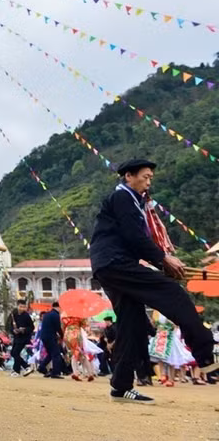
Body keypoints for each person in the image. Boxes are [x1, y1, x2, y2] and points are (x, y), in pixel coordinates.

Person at [90, 159, 217, 404]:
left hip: (112, 264)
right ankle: (205, 355)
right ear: (129, 176)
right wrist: (162, 260)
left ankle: (121, 386)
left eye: (150, 178)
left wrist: (162, 260)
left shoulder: (134, 202)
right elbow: (133, 236)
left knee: (132, 323)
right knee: (173, 292)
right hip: (115, 263)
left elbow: (135, 239)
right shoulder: (122, 198)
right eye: (145, 177)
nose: (149, 182)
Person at [8, 299, 35, 377]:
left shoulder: (26, 316)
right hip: (17, 337)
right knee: (13, 352)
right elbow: (10, 326)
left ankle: (26, 366)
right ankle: (16, 370)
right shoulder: (14, 314)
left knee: (15, 353)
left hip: (24, 338)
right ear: (17, 306)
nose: (22, 308)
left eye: (24, 307)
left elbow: (31, 327)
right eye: (20, 306)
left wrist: (23, 330)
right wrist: (14, 331)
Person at [36, 302, 63, 378]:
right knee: (56, 354)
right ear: (58, 307)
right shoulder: (56, 315)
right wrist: (62, 336)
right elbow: (58, 327)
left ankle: (41, 367)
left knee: (50, 354)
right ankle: (55, 372)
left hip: (44, 337)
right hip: (51, 337)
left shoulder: (47, 314)